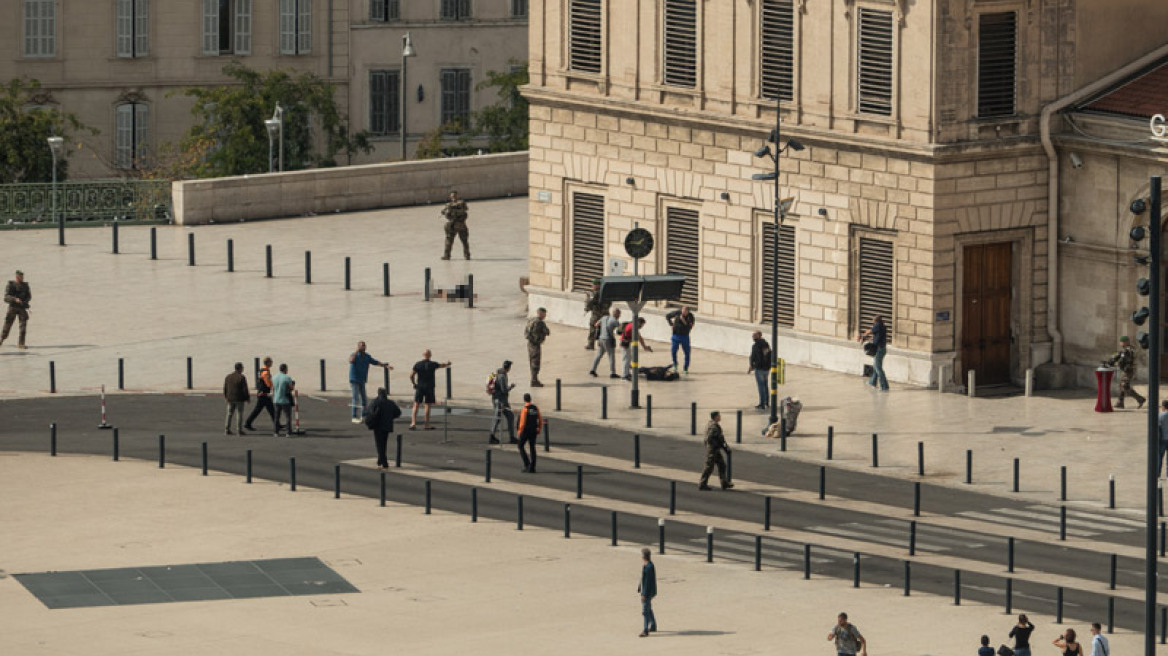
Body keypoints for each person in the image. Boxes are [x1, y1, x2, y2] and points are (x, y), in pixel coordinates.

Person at [348, 341, 391, 423]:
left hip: (362, 379)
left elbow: (375, 362)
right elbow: (351, 360)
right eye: (361, 346)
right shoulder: (354, 355)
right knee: (355, 398)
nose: (363, 347)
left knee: (364, 398)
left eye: (364, 346)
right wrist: (356, 351)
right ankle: (354, 416)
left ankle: (364, 415)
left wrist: (385, 366)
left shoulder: (367, 356)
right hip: (354, 379)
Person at [410, 349, 451, 430]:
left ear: (423, 355)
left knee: (416, 404)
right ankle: (427, 424)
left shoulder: (418, 364)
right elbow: (441, 365)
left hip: (420, 386)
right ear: (430, 355)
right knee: (428, 405)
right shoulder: (433, 364)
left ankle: (413, 423)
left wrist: (414, 383)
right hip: (429, 387)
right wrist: (447, 364)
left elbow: (411, 375)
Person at [365, 387, 402, 470]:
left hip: (377, 426)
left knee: (379, 444)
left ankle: (384, 461)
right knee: (384, 443)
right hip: (387, 426)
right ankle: (380, 460)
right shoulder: (390, 403)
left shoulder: (375, 402)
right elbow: (398, 412)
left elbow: (369, 412)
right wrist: (390, 417)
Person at [1104, 336, 1145, 409]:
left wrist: (1114, 363)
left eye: (1121, 342)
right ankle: (1120, 402)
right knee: (1121, 386)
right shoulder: (1127, 350)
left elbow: (1123, 360)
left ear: (1125, 342)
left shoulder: (1128, 350)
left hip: (1128, 370)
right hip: (1126, 370)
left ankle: (1140, 399)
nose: (1120, 343)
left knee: (1124, 385)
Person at [698, 411, 733, 490]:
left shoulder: (711, 424)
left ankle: (724, 482)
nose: (720, 417)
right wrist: (725, 448)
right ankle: (702, 483)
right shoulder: (714, 427)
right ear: (715, 417)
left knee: (722, 465)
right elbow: (717, 438)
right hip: (713, 449)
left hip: (714, 448)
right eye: (719, 416)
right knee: (709, 466)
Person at [1, 269, 32, 349]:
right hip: (13, 307)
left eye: (22, 276)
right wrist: (14, 299)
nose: (22, 278)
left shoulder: (25, 286)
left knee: (23, 327)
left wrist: (25, 302)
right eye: (20, 277)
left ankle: (21, 343)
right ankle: (1, 339)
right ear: (17, 277)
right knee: (7, 326)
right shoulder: (11, 285)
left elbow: (29, 296)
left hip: (22, 308)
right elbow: (6, 297)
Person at [489, 360, 517, 445]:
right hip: (500, 401)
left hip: (499, 400)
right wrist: (511, 387)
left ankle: (510, 437)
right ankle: (492, 437)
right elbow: (504, 390)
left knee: (505, 417)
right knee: (501, 418)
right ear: (508, 368)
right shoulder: (502, 376)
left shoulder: (500, 374)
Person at [859, 315, 889, 391]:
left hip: (879, 350)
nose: (873, 323)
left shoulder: (878, 326)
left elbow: (869, 331)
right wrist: (868, 338)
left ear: (875, 321)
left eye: (873, 322)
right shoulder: (882, 326)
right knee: (876, 366)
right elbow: (876, 337)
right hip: (882, 349)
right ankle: (872, 382)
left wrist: (862, 336)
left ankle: (884, 387)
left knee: (878, 368)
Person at [245, 357, 275, 432]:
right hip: (264, 394)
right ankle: (247, 423)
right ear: (268, 363)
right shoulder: (266, 372)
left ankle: (277, 423)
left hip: (262, 393)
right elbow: (267, 383)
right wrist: (272, 386)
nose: (272, 363)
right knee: (260, 410)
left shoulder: (261, 370)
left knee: (270, 409)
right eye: (271, 362)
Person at [589, 308, 621, 378]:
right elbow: (619, 331)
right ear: (617, 314)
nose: (619, 316)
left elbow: (596, 324)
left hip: (601, 339)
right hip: (608, 339)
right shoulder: (615, 321)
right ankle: (612, 373)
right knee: (611, 356)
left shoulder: (604, 317)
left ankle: (593, 369)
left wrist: (601, 330)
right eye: (619, 314)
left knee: (599, 355)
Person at [440, 190, 471, 260]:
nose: (453, 197)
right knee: (463, 241)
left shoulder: (449, 205)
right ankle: (467, 255)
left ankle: (447, 255)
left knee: (450, 240)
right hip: (460, 224)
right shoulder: (461, 203)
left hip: (453, 225)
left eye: (454, 196)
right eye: (452, 196)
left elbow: (445, 213)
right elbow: (466, 210)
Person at [665, 306, 696, 375]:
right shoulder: (677, 313)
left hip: (685, 336)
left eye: (685, 312)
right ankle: (675, 363)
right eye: (682, 311)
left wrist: (683, 320)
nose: (683, 313)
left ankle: (685, 368)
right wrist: (671, 324)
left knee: (687, 353)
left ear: (688, 311)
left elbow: (690, 327)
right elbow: (667, 316)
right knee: (673, 351)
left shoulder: (690, 317)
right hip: (676, 336)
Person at [516, 393, 542, 473]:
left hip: (526, 430)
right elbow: (540, 419)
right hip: (533, 430)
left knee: (520, 446)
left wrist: (519, 432)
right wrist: (539, 429)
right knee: (532, 448)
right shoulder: (535, 408)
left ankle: (527, 464)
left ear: (524, 400)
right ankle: (533, 467)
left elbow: (522, 422)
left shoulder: (524, 409)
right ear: (530, 399)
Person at [525, 308, 551, 387]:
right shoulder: (540, 323)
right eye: (544, 314)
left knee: (532, 361)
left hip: (530, 344)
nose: (545, 316)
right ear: (541, 314)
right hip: (535, 345)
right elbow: (547, 332)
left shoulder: (531, 320)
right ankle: (534, 380)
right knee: (535, 363)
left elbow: (526, 332)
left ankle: (534, 379)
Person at [222, 362, 250, 435]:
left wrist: (226, 396)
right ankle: (239, 430)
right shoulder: (242, 377)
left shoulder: (228, 377)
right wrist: (247, 398)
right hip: (239, 398)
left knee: (229, 414)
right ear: (240, 368)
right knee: (239, 414)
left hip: (230, 398)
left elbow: (225, 388)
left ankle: (227, 429)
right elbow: (245, 389)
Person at [584, 278, 611, 350]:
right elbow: (610, 303)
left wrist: (587, 298)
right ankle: (603, 345)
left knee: (592, 328)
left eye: (593, 284)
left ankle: (591, 344)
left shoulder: (595, 293)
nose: (592, 286)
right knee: (604, 330)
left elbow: (590, 303)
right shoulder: (606, 292)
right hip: (605, 314)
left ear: (598, 285)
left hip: (596, 314)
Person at [749, 331, 772, 409]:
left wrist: (752, 366)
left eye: (755, 335)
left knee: (761, 386)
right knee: (765, 385)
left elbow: (753, 357)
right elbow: (768, 355)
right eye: (753, 335)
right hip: (766, 369)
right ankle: (766, 402)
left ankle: (762, 404)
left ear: (759, 336)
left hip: (759, 369)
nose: (753, 336)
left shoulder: (755, 346)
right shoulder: (766, 344)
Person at [637, 547, 658, 638]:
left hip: (647, 592)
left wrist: (644, 594)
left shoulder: (649, 567)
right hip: (647, 591)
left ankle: (645, 630)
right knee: (648, 608)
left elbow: (648, 582)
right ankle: (653, 625)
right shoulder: (647, 565)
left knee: (645, 611)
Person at [271, 363, 295, 437]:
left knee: (277, 417)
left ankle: (276, 432)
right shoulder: (287, 378)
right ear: (285, 369)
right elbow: (291, 388)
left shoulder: (274, 377)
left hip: (276, 399)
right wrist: (293, 385)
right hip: (285, 400)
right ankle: (288, 432)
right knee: (288, 417)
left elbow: (272, 388)